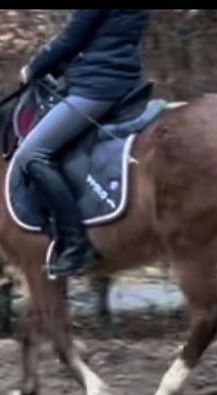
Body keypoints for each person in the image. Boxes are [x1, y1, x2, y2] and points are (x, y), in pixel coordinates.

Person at [13, 9, 151, 278]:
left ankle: (77, 246)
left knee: (31, 154)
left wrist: (33, 68)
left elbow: (71, 39)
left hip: (97, 86)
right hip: (121, 76)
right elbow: (101, 38)